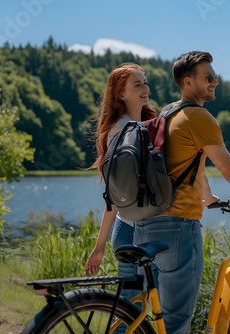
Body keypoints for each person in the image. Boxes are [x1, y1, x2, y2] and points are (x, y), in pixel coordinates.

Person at [133, 51, 230, 334]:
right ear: (187, 82)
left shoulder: (169, 113)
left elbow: (190, 162)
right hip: (178, 228)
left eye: (215, 76)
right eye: (208, 77)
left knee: (150, 320)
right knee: (175, 323)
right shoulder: (198, 117)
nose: (215, 82)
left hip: (146, 225)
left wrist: (207, 196)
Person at [84, 62, 156, 332]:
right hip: (134, 232)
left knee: (133, 309)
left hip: (130, 230)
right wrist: (99, 246)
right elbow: (115, 196)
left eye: (145, 82)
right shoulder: (123, 130)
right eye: (137, 85)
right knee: (132, 311)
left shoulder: (143, 125)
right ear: (120, 94)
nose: (145, 89)